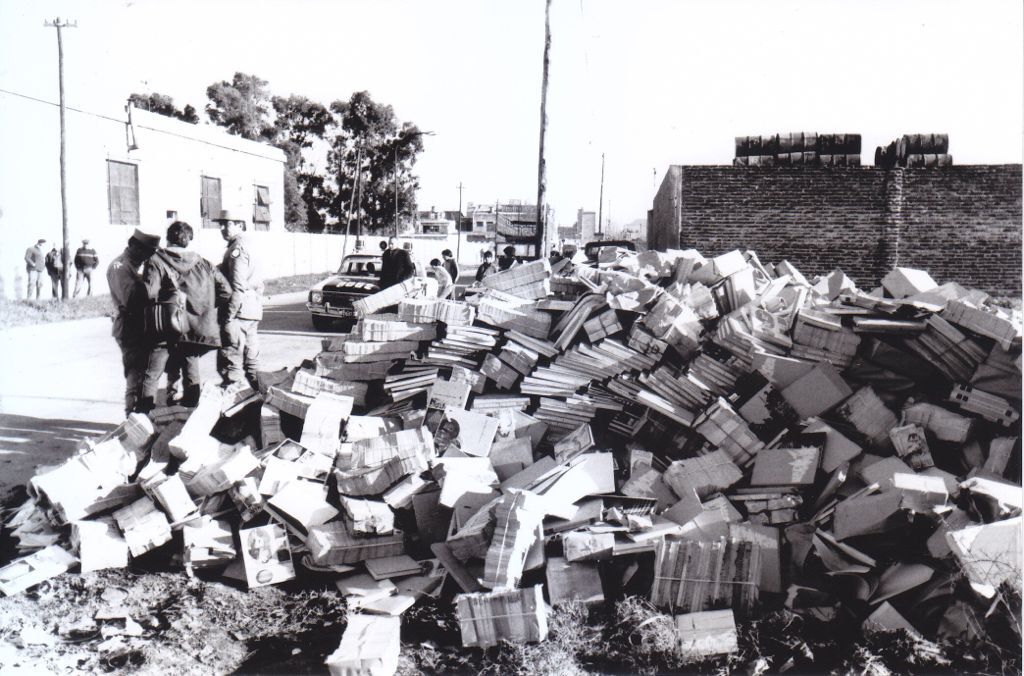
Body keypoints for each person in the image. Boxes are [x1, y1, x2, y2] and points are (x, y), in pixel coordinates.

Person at [138, 221, 229, 410]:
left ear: (168, 237)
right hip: (193, 328)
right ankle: (189, 415)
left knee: (151, 374)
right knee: (191, 370)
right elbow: (226, 291)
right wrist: (204, 307)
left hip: (164, 327)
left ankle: (143, 419)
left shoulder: (156, 261)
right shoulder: (204, 263)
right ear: (189, 239)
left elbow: (147, 293)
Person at [107, 228, 161, 415]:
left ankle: (139, 418)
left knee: (143, 375)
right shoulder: (120, 267)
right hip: (130, 329)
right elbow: (131, 300)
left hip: (142, 327)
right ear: (133, 246)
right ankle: (132, 418)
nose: (148, 257)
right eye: (145, 252)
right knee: (135, 377)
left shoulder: (136, 265)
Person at [214, 210, 264, 390]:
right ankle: (260, 399)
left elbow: (237, 286)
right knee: (251, 359)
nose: (221, 228)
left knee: (231, 360)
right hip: (252, 309)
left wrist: (229, 315)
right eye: (220, 224)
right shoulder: (250, 244)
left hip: (238, 311)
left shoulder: (237, 249)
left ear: (240, 225)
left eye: (226, 224)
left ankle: (236, 408)